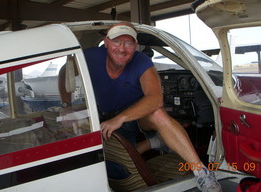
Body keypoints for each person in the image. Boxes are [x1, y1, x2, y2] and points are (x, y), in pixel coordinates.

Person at [59, 22, 222, 192]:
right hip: (104, 114)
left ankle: (202, 173)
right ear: (106, 42)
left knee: (158, 114)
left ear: (135, 46)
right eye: (116, 42)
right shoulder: (91, 56)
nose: (122, 49)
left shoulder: (142, 62)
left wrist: (120, 119)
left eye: (128, 43)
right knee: (122, 161)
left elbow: (155, 99)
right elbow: (66, 71)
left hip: (135, 116)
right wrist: (66, 105)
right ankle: (156, 142)